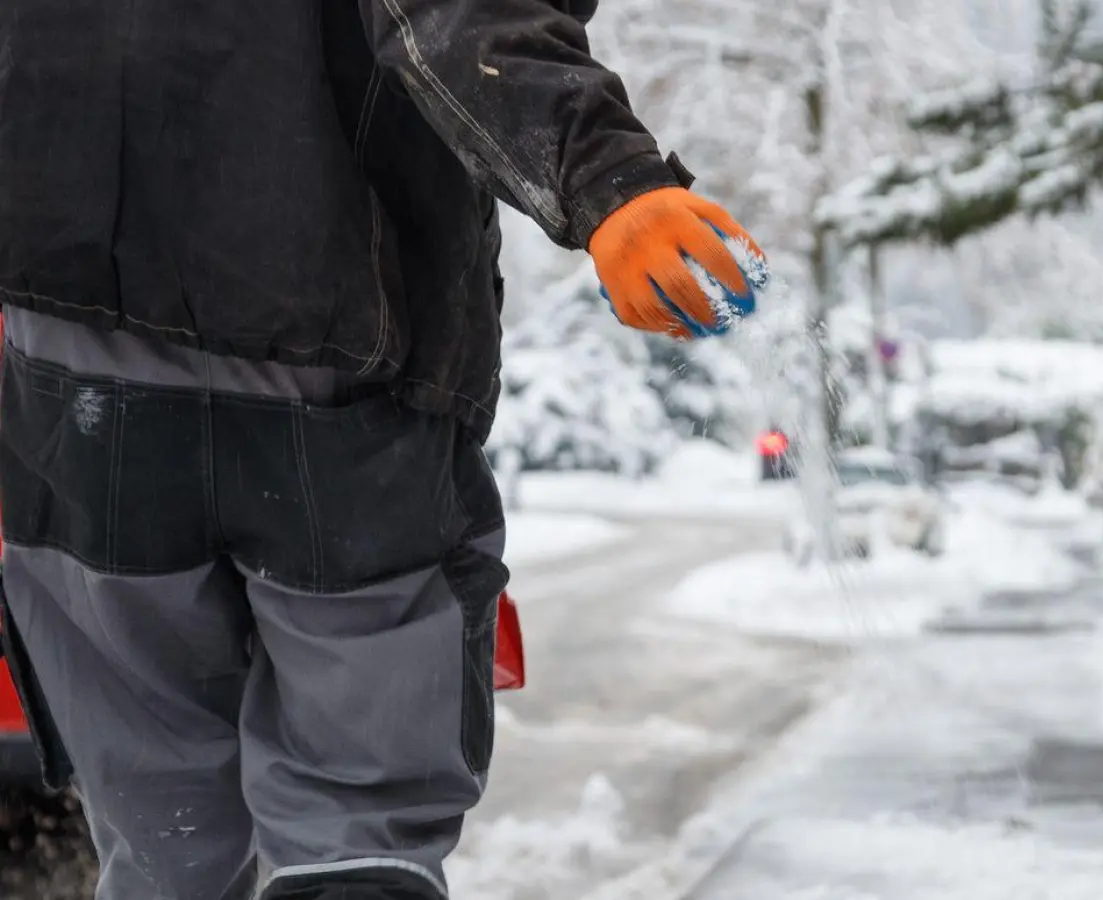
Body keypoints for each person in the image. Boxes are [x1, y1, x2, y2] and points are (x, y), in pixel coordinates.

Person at [0, 2, 766, 898]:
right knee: (353, 832)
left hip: (71, 370)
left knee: (163, 834)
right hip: (332, 350)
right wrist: (611, 178)